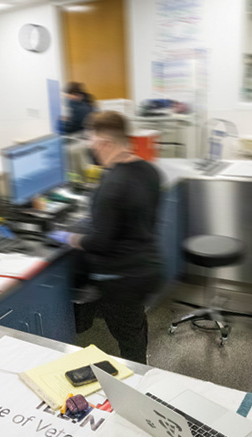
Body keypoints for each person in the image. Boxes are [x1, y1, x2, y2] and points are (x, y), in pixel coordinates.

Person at [49, 111, 163, 363]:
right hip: (146, 266)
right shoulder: (149, 170)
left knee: (129, 341)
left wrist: (68, 237)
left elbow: (99, 242)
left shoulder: (112, 185)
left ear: (105, 143)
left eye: (91, 140)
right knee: (135, 327)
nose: (90, 146)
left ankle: (139, 378)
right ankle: (140, 365)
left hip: (120, 280)